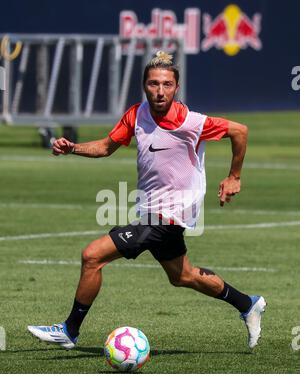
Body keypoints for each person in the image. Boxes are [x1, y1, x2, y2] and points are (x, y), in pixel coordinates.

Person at [28, 51, 266, 350]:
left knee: (92, 256)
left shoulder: (191, 122)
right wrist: (72, 147)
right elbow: (105, 146)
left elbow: (239, 131)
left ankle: (69, 331)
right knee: (183, 276)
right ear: (144, 85)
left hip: (169, 215)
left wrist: (234, 177)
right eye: (153, 84)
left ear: (176, 87)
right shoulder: (136, 114)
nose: (160, 91)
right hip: (152, 211)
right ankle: (248, 304)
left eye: (167, 84)